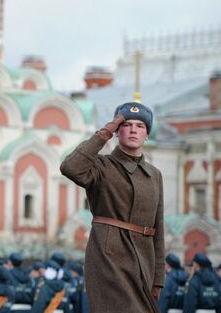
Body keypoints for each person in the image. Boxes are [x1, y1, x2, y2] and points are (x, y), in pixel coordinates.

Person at [60, 103, 164, 312]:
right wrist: (105, 132)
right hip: (109, 258)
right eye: (126, 124)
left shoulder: (154, 175)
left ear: (147, 134)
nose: (133, 130)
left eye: (140, 126)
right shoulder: (101, 166)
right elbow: (70, 167)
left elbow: (158, 228)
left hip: (144, 262)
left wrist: (158, 278)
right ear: (117, 131)